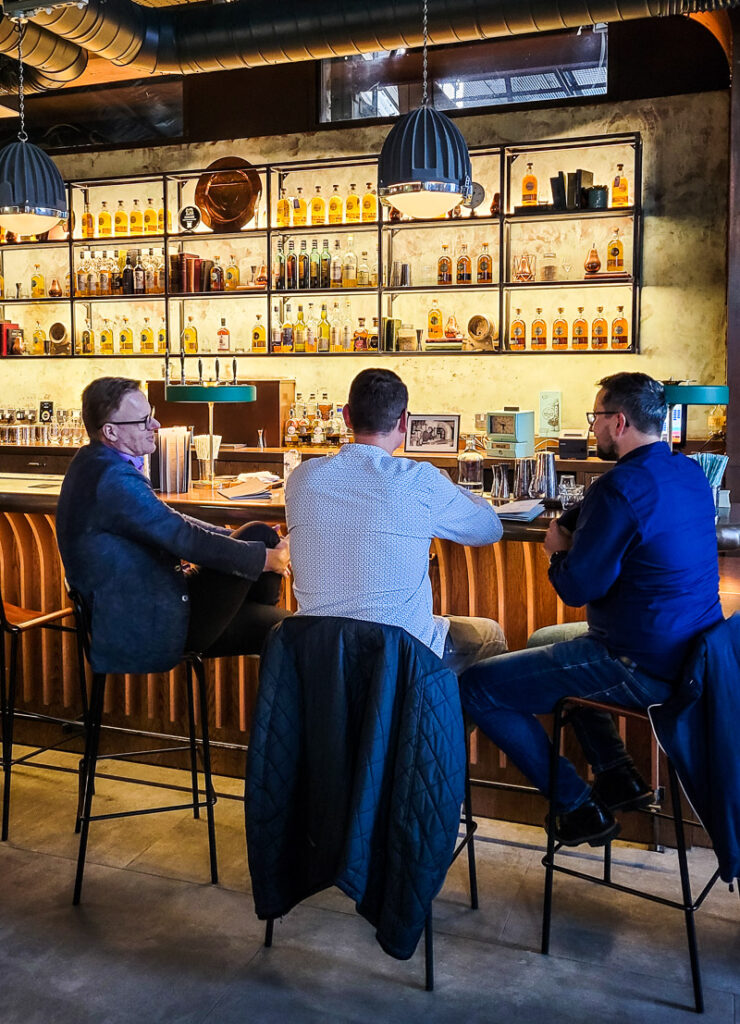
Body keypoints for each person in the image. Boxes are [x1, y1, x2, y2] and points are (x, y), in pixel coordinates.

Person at [460, 372, 723, 846]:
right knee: (547, 640)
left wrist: (556, 552)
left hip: (638, 664)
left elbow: (578, 589)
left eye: (596, 417)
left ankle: (577, 806)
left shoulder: (619, 487)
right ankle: (618, 774)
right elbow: (619, 518)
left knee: (477, 687)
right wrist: (572, 522)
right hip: (694, 659)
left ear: (618, 421)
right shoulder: (686, 471)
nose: (594, 428)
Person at [56, 377, 290, 675]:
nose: (155, 425)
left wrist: (237, 540)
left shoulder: (97, 463)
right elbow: (181, 536)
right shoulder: (112, 480)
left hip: (150, 606)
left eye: (151, 414)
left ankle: (254, 612)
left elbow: (172, 522)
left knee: (257, 536)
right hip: (147, 626)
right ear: (110, 431)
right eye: (143, 421)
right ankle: (257, 617)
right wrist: (266, 559)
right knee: (283, 625)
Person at [285, 367, 507, 675]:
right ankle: (429, 723)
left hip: (317, 657)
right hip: (399, 657)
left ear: (347, 416)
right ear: (405, 421)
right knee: (490, 635)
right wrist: (446, 485)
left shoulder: (301, 478)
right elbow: (489, 527)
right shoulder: (419, 481)